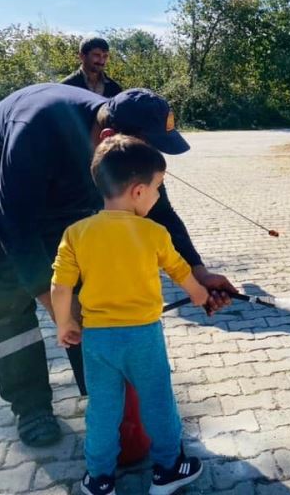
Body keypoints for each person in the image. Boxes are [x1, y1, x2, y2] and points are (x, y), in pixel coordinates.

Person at [0, 83, 234, 447]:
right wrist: (55, 304)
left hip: (50, 193)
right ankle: (31, 406)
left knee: (91, 293)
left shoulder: (123, 145)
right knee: (4, 301)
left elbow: (158, 212)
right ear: (110, 138)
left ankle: (104, 397)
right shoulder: (38, 128)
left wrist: (198, 271)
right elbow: (12, 223)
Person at [53, 135, 207, 495]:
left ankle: (99, 478)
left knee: (103, 410)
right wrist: (200, 295)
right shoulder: (154, 232)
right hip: (142, 337)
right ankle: (168, 469)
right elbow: (180, 271)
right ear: (138, 192)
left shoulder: (76, 234)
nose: (157, 195)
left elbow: (60, 288)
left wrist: (66, 324)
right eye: (158, 187)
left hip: (97, 340)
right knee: (158, 402)